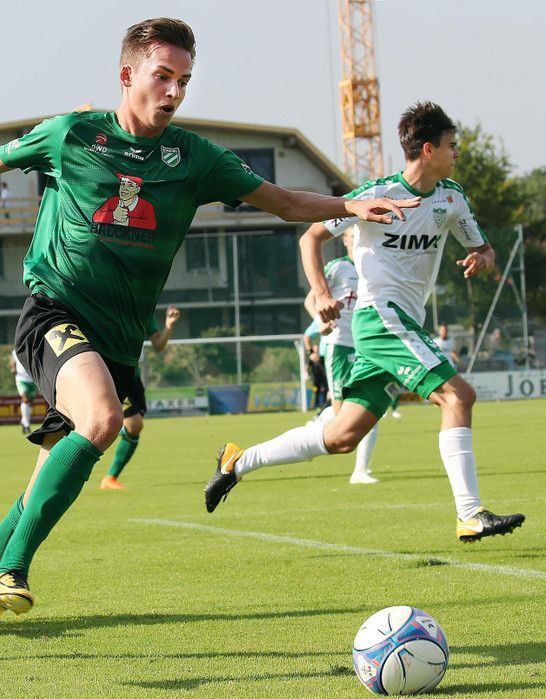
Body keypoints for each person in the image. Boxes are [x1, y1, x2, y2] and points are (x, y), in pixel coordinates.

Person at [0, 18, 416, 662]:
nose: (174, 92)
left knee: (39, 490)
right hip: (55, 312)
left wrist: (348, 205)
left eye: (184, 81)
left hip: (118, 342)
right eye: (162, 76)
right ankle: (13, 573)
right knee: (104, 419)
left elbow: (281, 200)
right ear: (127, 75)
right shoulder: (73, 134)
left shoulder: (194, 158)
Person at [204, 101, 525, 545]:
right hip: (381, 318)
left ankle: (237, 462)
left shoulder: (451, 198)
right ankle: (470, 514)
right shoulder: (376, 194)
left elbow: (484, 249)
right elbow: (311, 237)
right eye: (452, 145)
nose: (457, 153)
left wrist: (482, 259)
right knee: (459, 396)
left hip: (405, 323)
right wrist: (320, 292)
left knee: (341, 437)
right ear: (428, 149)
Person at [302, 243, 382, 484]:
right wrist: (320, 321)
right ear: (347, 240)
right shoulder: (338, 267)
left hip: (367, 345)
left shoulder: (376, 266)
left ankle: (361, 470)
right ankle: (306, 437)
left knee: (368, 408)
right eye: (351, 234)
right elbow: (310, 299)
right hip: (340, 345)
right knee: (341, 416)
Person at [100, 305, 180, 490]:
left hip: (134, 378)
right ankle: (109, 476)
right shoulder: (109, 307)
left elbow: (158, 345)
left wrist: (169, 325)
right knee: (135, 425)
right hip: (114, 376)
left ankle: (110, 478)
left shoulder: (142, 310)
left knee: (133, 429)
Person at [11, 349, 36, 434]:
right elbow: (13, 362)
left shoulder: (32, 348)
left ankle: (24, 420)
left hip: (32, 379)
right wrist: (13, 368)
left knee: (30, 403)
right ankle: (26, 425)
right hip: (21, 379)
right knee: (25, 400)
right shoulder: (15, 351)